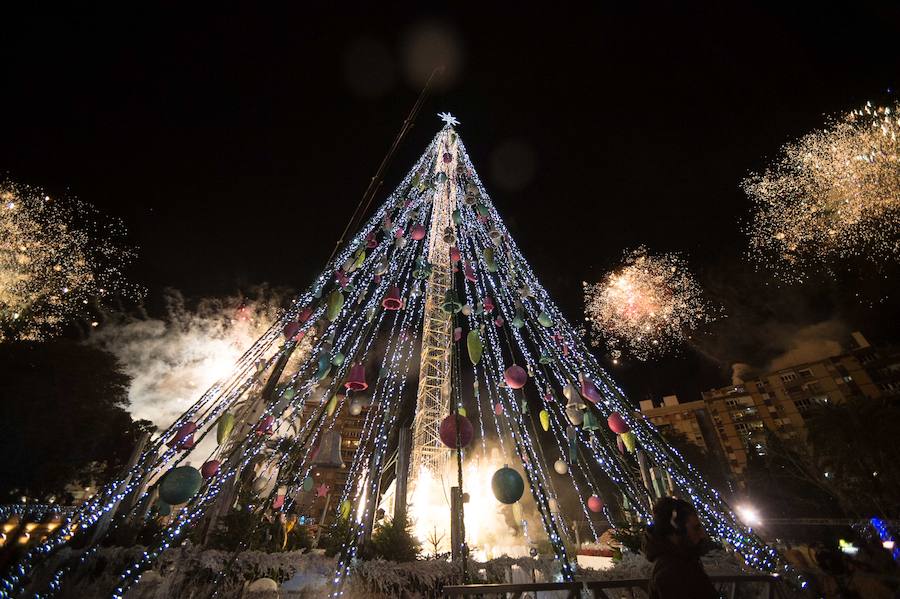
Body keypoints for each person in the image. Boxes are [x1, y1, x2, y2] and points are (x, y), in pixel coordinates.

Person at [642, 497, 719, 599]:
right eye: (695, 528)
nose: (702, 535)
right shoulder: (670, 572)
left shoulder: (684, 561)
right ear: (677, 530)